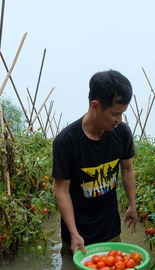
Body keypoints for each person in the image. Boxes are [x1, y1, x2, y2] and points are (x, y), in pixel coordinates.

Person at [52, 70, 138, 255]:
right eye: (115, 114)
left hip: (110, 230)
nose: (119, 120)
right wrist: (74, 234)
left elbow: (127, 170)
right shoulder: (66, 142)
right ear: (95, 106)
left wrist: (132, 205)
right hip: (77, 235)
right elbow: (62, 191)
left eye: (122, 114)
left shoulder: (122, 133)